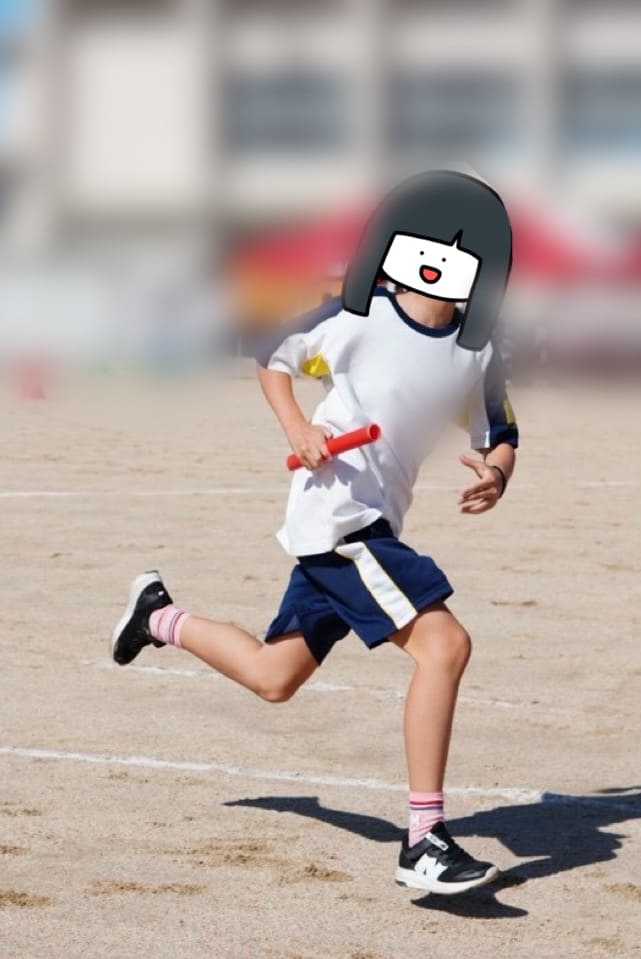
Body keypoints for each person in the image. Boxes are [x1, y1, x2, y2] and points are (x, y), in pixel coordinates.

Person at [109, 171, 519, 895]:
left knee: (274, 677)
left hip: (371, 520)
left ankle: (158, 615)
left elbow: (501, 431)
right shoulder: (358, 315)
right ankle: (423, 841)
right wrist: (299, 427)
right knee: (445, 645)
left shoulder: (475, 350)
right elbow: (275, 358)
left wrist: (496, 472)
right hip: (339, 517)